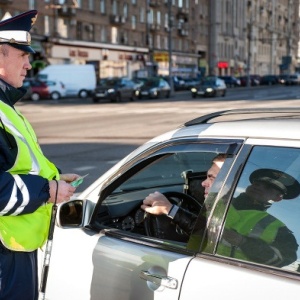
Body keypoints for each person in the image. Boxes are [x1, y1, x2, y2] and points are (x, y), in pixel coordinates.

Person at [0, 10, 80, 300]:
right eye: (22, 57)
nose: (28, 65)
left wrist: (55, 178)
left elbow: (19, 164)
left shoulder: (6, 107)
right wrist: (48, 190)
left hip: (14, 244)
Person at [219, 168, 300, 267]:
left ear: (278, 198)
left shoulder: (279, 228)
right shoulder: (217, 200)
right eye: (257, 183)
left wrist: (243, 242)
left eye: (268, 187)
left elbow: (284, 259)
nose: (259, 187)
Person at [141, 154, 226, 234]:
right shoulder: (222, 205)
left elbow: (207, 235)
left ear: (231, 182)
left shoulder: (233, 209)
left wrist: (169, 209)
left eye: (212, 178)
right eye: (207, 177)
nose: (203, 183)